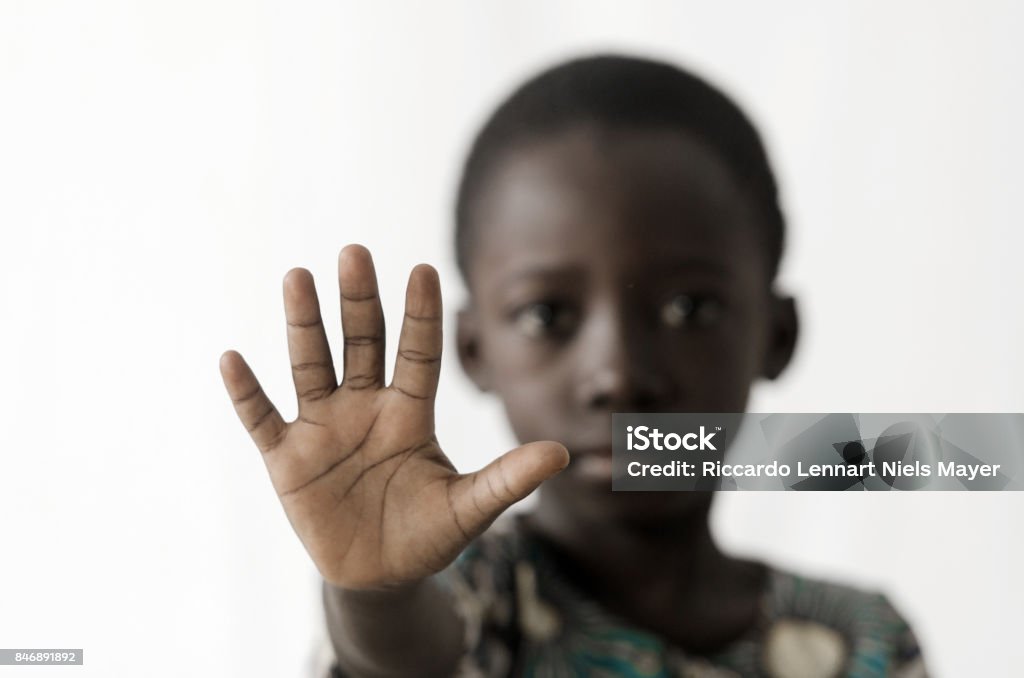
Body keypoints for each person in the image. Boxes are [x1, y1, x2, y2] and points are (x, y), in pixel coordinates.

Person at [220, 55, 928, 677]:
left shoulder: (862, 639)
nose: (618, 374)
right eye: (547, 316)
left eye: (689, 308)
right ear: (474, 351)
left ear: (776, 335)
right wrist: (374, 595)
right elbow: (411, 654)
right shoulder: (479, 594)